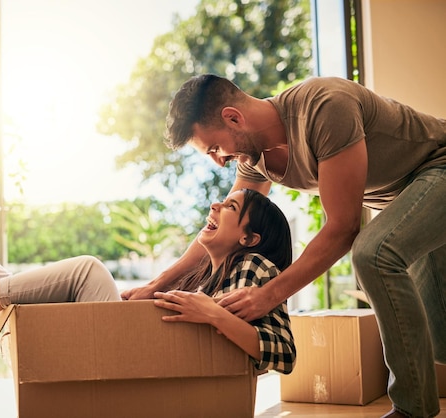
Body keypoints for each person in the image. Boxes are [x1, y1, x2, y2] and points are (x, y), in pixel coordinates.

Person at [122, 73, 446, 418]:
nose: (217, 160)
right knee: (440, 340)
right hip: (407, 199)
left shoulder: (324, 108)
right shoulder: (253, 159)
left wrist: (267, 295)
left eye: (214, 148)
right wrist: (157, 285)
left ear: (233, 118)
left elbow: (344, 227)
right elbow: (219, 230)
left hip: (438, 166)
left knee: (373, 253)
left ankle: (412, 411)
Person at [0, 147, 296, 375]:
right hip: (133, 360)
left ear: (249, 237)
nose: (216, 203)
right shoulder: (210, 274)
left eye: (230, 205)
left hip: (135, 371)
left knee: (89, 269)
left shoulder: (256, 269)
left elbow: (285, 352)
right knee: (8, 286)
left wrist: (214, 315)